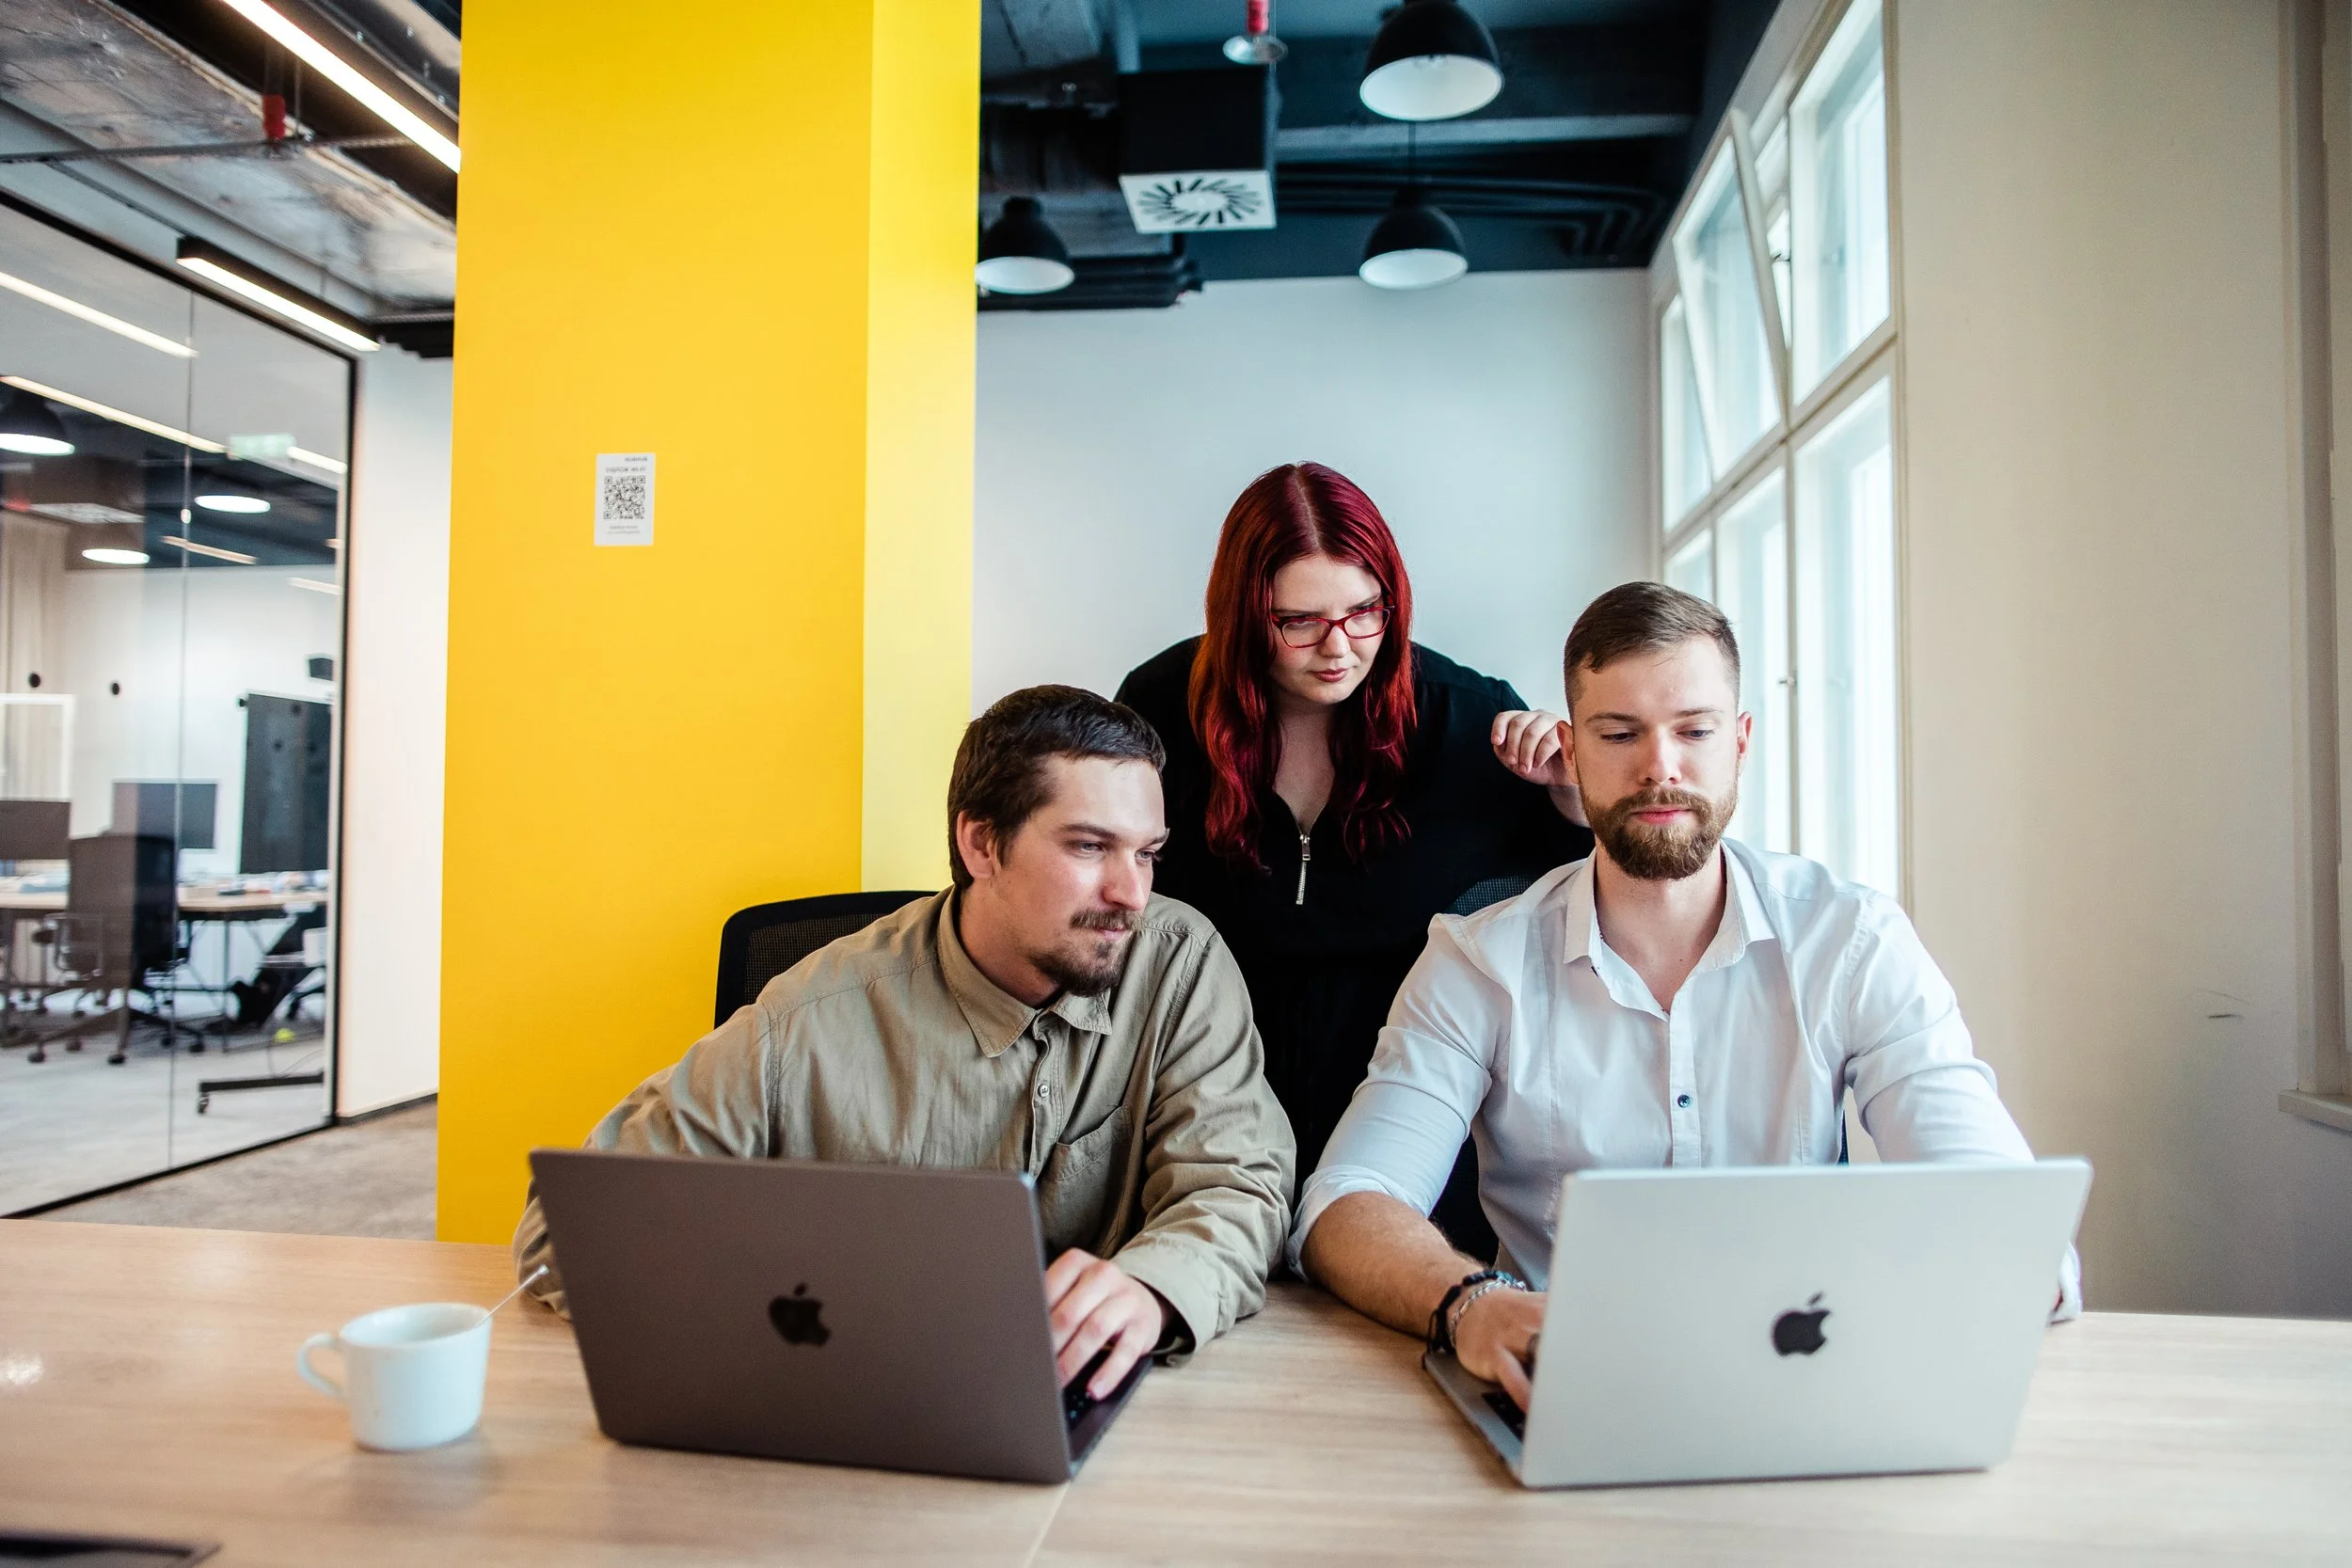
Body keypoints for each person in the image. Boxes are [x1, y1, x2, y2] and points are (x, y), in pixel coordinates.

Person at [1292, 582, 2079, 1412]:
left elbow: (2012, 1221)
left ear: (1739, 741)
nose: (1660, 765)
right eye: (1620, 732)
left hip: (1812, 1377)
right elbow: (1345, 1205)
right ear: (1572, 748)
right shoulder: (1476, 960)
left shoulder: (1852, 941)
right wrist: (1473, 1304)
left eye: (1694, 730)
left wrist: (1952, 1287)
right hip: (1564, 1384)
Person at [513, 685, 1295, 1401]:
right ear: (982, 844)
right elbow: (562, 1233)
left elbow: (1240, 1183)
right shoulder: (808, 1022)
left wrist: (1154, 1288)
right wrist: (785, 1311)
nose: (1131, 892)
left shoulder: (1181, 966)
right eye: (1090, 847)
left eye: (1146, 852)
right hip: (855, 1408)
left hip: (1109, 1410)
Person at [1114, 463, 1592, 1256]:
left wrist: (1571, 795)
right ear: (1241, 615)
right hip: (1204, 1129)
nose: (1339, 648)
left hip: (1411, 1146)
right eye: (1298, 621)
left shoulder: (1468, 720)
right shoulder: (1163, 705)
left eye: (1365, 611)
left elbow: (1577, 905)